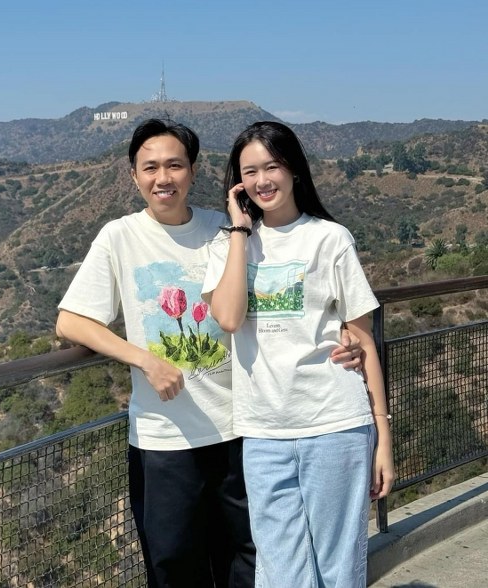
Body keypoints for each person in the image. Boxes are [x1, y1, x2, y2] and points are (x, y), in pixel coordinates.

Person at [56, 118, 362, 588]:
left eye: (175, 165)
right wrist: (146, 359)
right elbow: (71, 321)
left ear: (193, 171)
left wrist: (341, 331)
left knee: (250, 559)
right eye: (150, 167)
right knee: (175, 567)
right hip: (164, 439)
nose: (163, 178)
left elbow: (288, 288)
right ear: (133, 176)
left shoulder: (227, 230)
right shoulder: (119, 237)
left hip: (240, 428)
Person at [202, 121, 394, 588]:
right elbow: (228, 318)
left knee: (337, 569)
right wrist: (240, 231)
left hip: (335, 422)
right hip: (263, 431)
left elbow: (363, 340)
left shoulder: (330, 238)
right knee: (279, 572)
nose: (262, 180)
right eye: (250, 172)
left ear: (294, 170)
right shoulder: (229, 245)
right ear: (237, 182)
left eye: (272, 167)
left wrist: (383, 437)